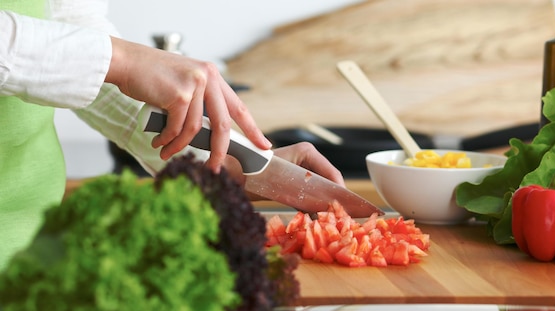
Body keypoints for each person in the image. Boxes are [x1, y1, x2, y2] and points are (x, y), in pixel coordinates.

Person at [0, 0, 344, 270]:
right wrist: (119, 60)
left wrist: (220, 161)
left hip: (30, 239)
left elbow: (69, 27)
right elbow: (103, 60)